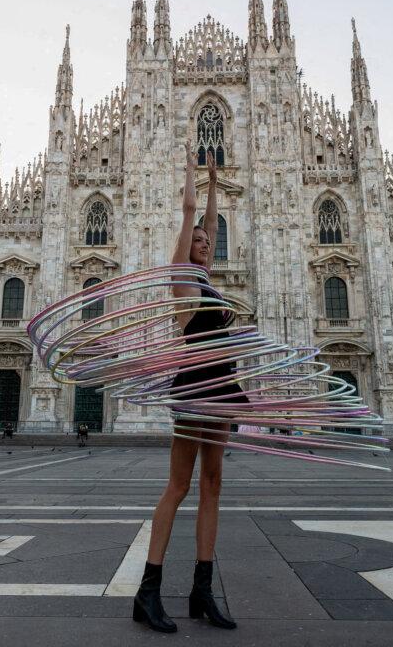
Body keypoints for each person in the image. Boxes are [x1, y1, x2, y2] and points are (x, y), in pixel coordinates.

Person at [133, 145, 239, 633]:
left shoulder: (209, 280)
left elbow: (213, 223)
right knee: (178, 486)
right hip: (197, 384)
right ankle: (148, 590)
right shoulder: (182, 279)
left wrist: (217, 182)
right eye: (196, 239)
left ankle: (202, 590)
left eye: (205, 241)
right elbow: (193, 215)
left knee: (213, 485)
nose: (203, 241)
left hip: (223, 383)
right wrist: (194, 178)